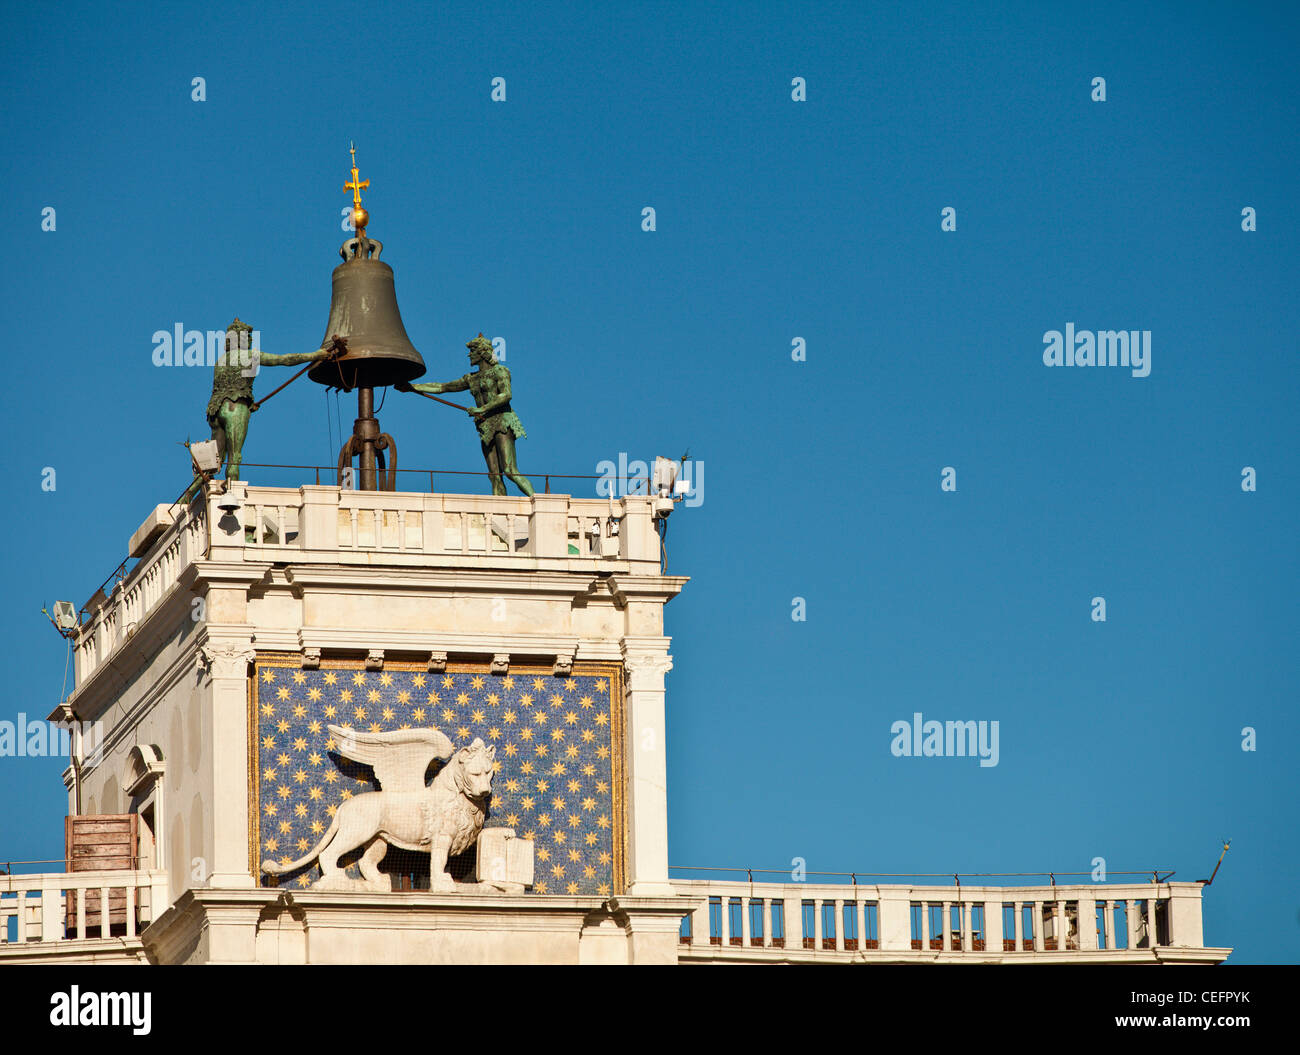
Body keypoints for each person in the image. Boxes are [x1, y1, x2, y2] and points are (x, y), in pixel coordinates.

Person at [398, 334, 534, 496]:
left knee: (509, 470)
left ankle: (541, 504)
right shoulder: (471, 379)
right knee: (494, 475)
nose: (469, 355)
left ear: (483, 353)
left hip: (503, 421)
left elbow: (506, 395)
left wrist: (482, 409)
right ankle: (500, 509)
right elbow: (442, 387)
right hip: (485, 426)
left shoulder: (500, 371)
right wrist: (413, 387)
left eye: (472, 351)